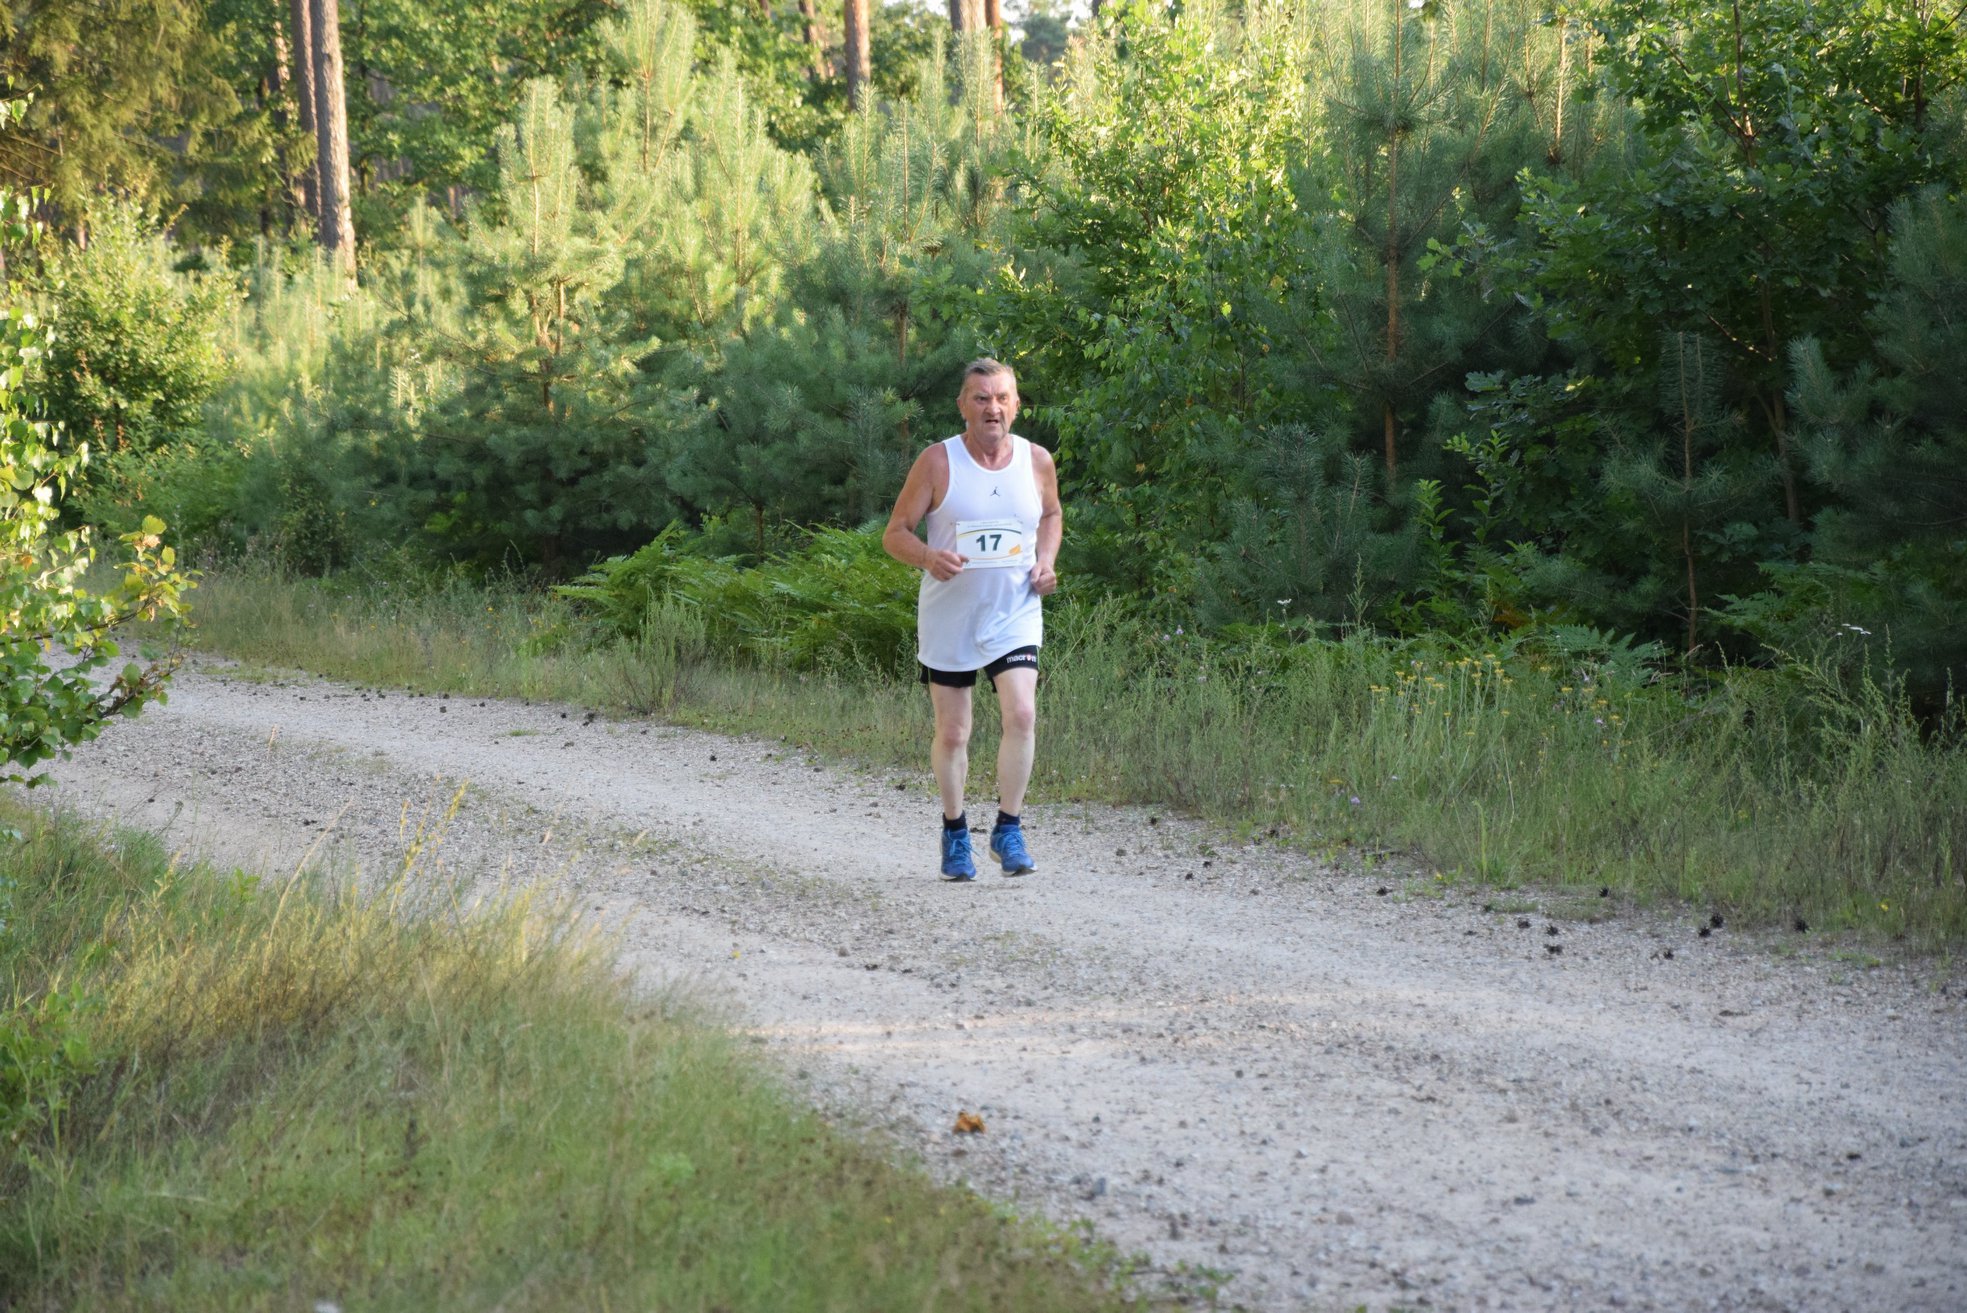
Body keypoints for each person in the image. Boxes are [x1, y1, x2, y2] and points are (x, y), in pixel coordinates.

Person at [882, 359, 1062, 881]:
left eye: (1002, 398)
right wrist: (927, 557)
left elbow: (1051, 515)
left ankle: (1009, 828)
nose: (992, 408)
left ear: (1017, 405)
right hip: (951, 618)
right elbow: (895, 533)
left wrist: (1045, 561)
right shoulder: (938, 462)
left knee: (1022, 714)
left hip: (1014, 612)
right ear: (963, 406)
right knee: (954, 732)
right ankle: (955, 831)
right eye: (981, 398)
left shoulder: (1036, 460)